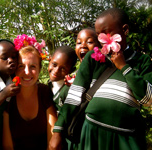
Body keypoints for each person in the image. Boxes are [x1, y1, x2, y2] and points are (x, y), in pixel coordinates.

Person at [49, 8, 152, 150]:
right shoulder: (93, 59)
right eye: (98, 35)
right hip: (90, 134)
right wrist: (57, 132)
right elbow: (74, 96)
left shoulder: (143, 61)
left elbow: (147, 99)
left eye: (106, 32)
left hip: (125, 138)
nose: (102, 39)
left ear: (125, 30)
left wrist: (124, 67)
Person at [2, 35, 58, 150]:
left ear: (39, 69)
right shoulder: (8, 96)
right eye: (21, 66)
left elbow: (52, 141)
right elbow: (7, 146)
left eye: (32, 66)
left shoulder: (44, 92)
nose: (27, 72)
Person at [48, 46, 77, 114]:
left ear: (71, 70)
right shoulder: (49, 85)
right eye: (54, 64)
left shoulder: (67, 91)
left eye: (63, 69)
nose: (56, 71)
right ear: (49, 60)